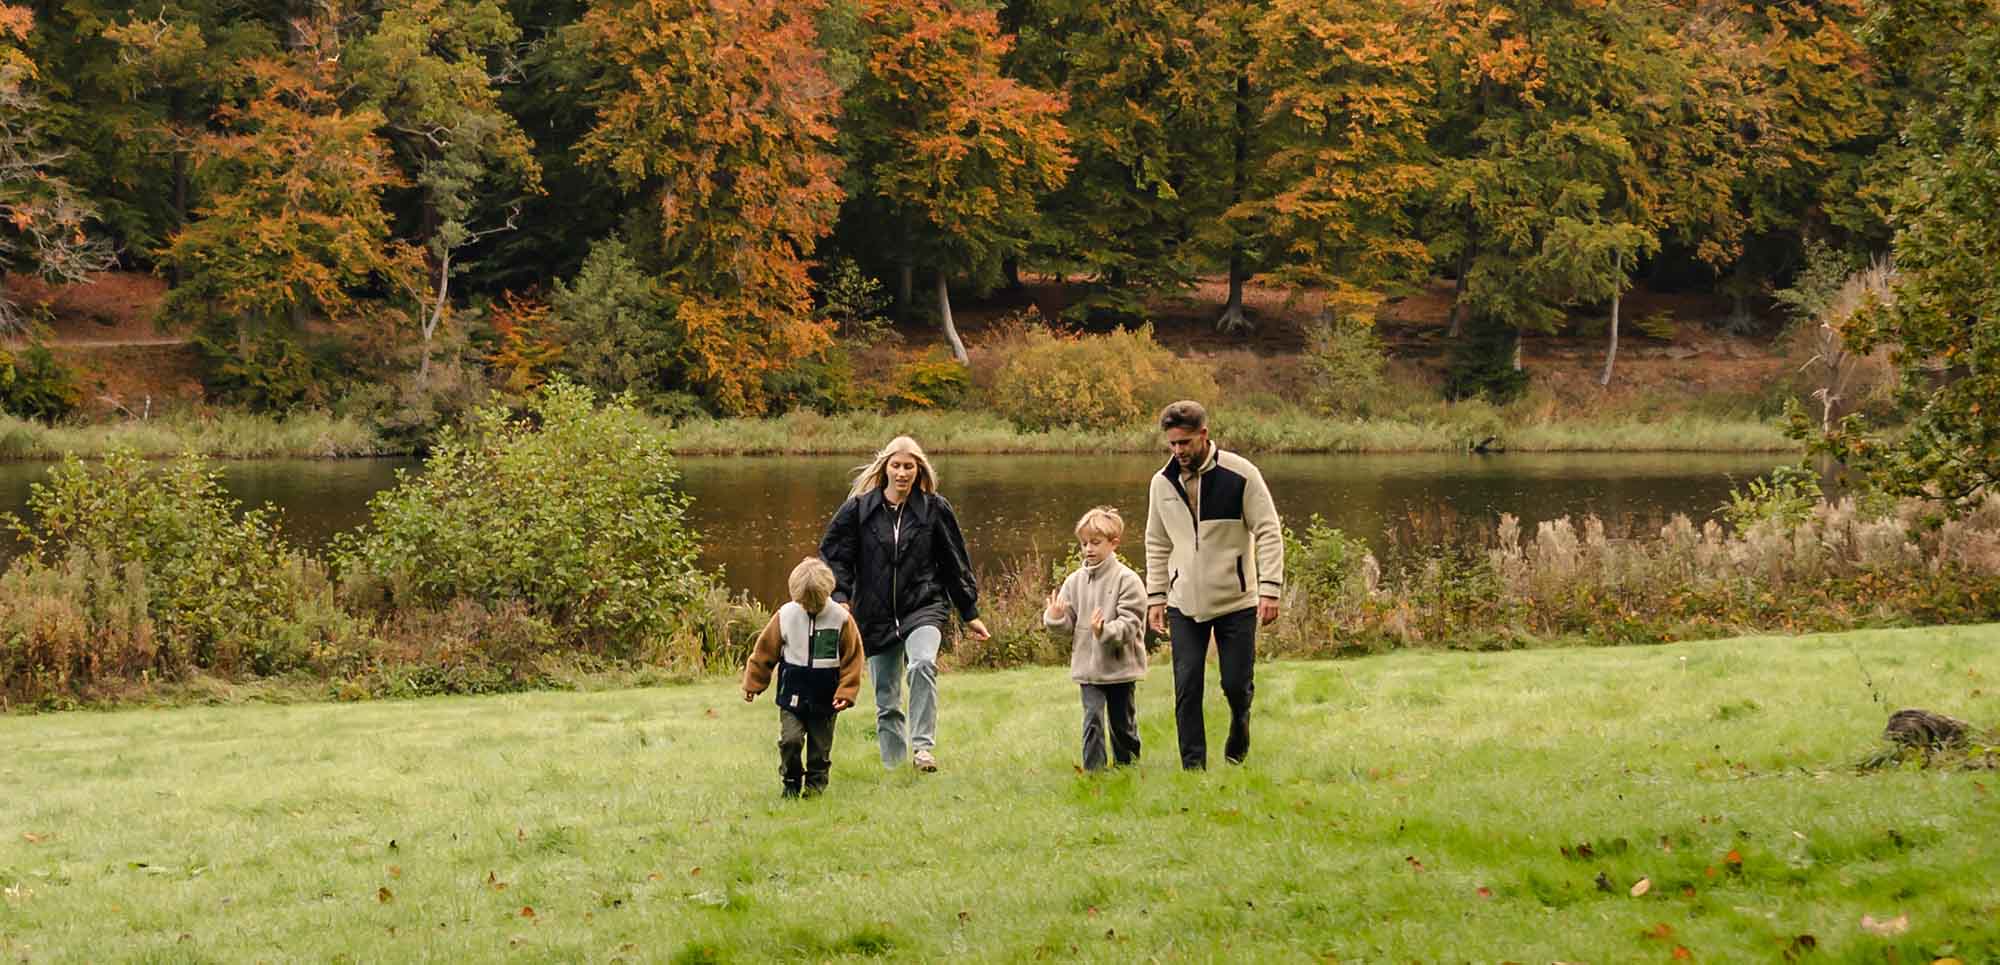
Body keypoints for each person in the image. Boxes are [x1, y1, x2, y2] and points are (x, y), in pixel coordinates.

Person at [818, 435, 990, 772]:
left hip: (923, 606)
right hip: (874, 614)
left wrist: (969, 611)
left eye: (908, 466)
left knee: (922, 663)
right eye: (896, 465)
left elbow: (955, 559)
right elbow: (835, 555)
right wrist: (840, 598)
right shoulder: (859, 510)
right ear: (885, 469)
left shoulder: (934, 509)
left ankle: (923, 749)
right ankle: (894, 770)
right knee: (887, 702)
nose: (902, 472)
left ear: (918, 469)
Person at [1143, 401, 1284, 770]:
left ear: (1204, 435)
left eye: (1185, 443)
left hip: (1236, 601)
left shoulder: (1241, 474)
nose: (1178, 451)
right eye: (1172, 444)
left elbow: (1268, 531)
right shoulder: (1162, 484)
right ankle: (1194, 768)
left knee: (1236, 685)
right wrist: (1155, 596)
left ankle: (1241, 724)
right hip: (1183, 601)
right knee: (1186, 687)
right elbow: (1156, 542)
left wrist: (1270, 588)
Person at [742, 557, 865, 798]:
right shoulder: (785, 616)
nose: (810, 608)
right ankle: (790, 780)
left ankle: (815, 788)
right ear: (796, 597)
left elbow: (853, 658)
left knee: (820, 749)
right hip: (792, 694)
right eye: (805, 604)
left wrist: (846, 693)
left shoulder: (841, 619)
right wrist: (754, 683)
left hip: (826, 696)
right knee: (791, 740)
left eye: (816, 604)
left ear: (828, 593)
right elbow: (765, 651)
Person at [1044, 506, 1148, 771]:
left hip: (1120, 668)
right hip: (1088, 669)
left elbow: (1131, 625)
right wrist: (1055, 617)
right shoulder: (1073, 582)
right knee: (1092, 719)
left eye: (1095, 542)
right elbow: (1066, 628)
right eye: (1084, 543)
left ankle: (1127, 767)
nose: (1088, 549)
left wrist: (1104, 631)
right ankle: (1094, 772)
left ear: (1114, 543)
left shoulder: (1129, 580)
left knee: (1122, 723)